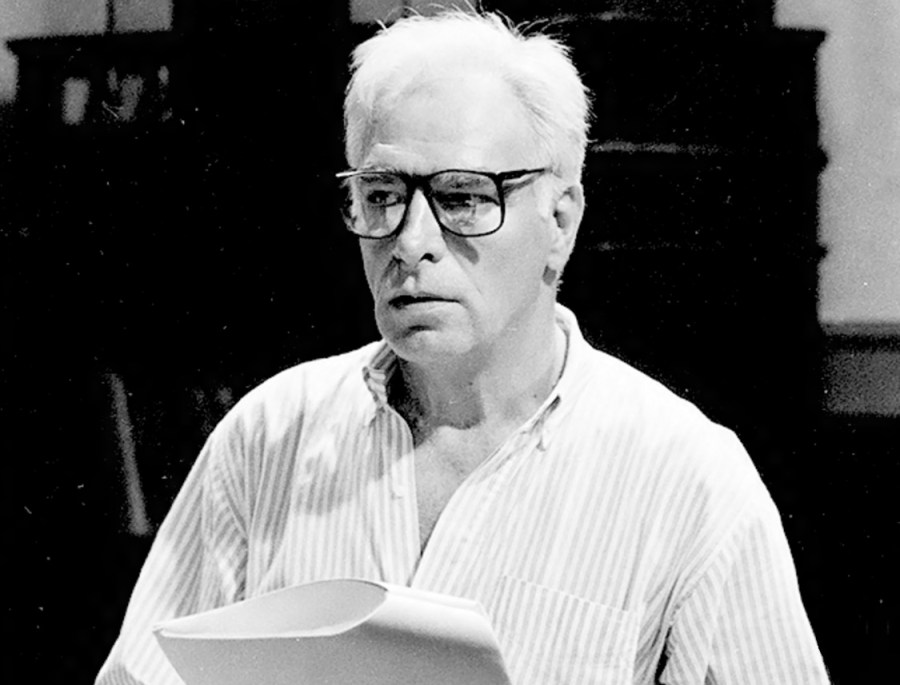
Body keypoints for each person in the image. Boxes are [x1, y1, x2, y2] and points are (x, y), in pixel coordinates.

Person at [96, 10, 829, 685]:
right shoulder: (267, 437)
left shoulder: (690, 482)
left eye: (464, 197)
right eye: (382, 195)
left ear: (561, 221)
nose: (410, 242)